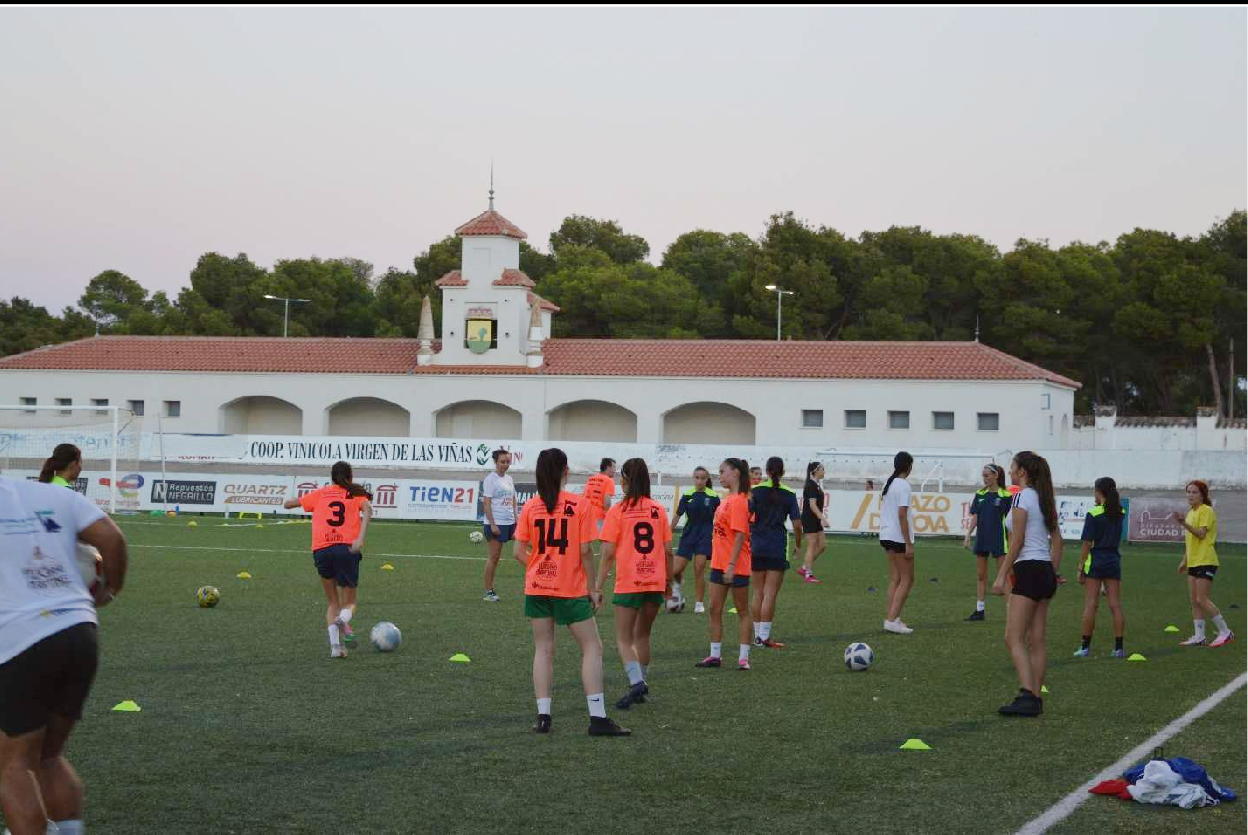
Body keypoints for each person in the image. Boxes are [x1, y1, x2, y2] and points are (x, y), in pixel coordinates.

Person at [0, 476, 128, 835]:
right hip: (79, 633)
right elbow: (111, 538)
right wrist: (111, 590)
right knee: (46, 756)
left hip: (20, 640)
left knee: (13, 764)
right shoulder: (49, 493)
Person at [515, 448, 629, 736]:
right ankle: (598, 718)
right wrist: (592, 588)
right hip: (570, 588)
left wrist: (540, 566)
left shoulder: (531, 507)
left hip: (538, 588)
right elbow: (585, 551)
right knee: (592, 648)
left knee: (543, 649)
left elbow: (518, 551)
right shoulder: (579, 506)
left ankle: (543, 717)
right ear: (565, 470)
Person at [594, 458, 673, 710]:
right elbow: (668, 550)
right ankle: (641, 684)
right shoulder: (658, 509)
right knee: (643, 635)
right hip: (655, 581)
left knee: (623, 639)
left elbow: (607, 553)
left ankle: (636, 682)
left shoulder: (618, 511)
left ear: (626, 480)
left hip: (629, 581)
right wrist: (669, 582)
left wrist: (597, 587)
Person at [993, 451, 1064, 717]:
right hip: (1043, 570)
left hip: (1029, 569)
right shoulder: (1045, 499)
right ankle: (1035, 696)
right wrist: (1052, 572)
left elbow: (1018, 539)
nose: (1009, 472)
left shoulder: (1022, 496)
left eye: (1012, 468)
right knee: (1037, 639)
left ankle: (1027, 695)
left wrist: (1001, 574)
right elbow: (1058, 542)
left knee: (1013, 638)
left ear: (1022, 471)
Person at [283, 461, 373, 657]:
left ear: (331, 478)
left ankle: (335, 648)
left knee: (332, 602)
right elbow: (368, 510)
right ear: (350, 476)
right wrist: (360, 538)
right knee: (350, 603)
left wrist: (291, 500)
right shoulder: (356, 493)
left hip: (322, 549)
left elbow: (288, 504)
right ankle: (343, 619)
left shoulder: (321, 493)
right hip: (347, 549)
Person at [697, 458, 754, 671]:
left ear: (736, 473)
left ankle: (743, 658)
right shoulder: (726, 499)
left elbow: (740, 536)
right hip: (719, 563)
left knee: (742, 610)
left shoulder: (739, 501)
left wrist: (731, 565)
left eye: (723, 472)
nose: (719, 476)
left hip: (735, 564)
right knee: (714, 609)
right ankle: (714, 656)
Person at [1171, 481, 1234, 648]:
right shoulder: (1192, 512)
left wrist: (1183, 523)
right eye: (1188, 492)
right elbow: (1190, 541)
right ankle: (1199, 636)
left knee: (1202, 599)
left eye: (1194, 492)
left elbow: (1200, 534)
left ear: (1202, 495)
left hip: (1206, 560)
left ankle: (1226, 632)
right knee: (1194, 600)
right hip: (1194, 562)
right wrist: (1185, 560)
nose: (1190, 495)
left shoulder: (1206, 510)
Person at [750, 457, 803, 649]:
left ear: (766, 471)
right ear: (783, 472)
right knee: (770, 594)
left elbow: (746, 517)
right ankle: (764, 637)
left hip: (756, 545)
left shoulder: (755, 491)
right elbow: (797, 524)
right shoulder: (788, 493)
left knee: (757, 592)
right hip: (776, 546)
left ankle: (757, 637)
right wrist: (798, 544)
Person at [1074, 477, 1127, 658]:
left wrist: (1080, 567)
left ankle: (1085, 647)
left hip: (1096, 559)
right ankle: (1119, 648)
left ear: (1099, 492)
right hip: (1113, 559)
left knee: (1091, 604)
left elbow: (1087, 543)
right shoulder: (1120, 512)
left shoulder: (1094, 513)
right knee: (1115, 605)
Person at [962, 464, 1011, 621]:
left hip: (999, 539)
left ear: (996, 476)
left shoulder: (1006, 496)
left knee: (1004, 576)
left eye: (987, 475)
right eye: (983, 476)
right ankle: (979, 610)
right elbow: (976, 515)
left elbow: (1011, 522)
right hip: (982, 538)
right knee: (981, 576)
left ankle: (1012, 611)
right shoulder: (980, 494)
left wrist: (1012, 541)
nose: (985, 478)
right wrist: (968, 534)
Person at [670, 467, 719, 614]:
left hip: (705, 536)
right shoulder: (687, 494)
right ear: (693, 478)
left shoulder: (714, 496)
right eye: (697, 478)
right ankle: (677, 586)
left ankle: (699, 604)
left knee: (699, 569)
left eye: (702, 478)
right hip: (688, 536)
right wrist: (669, 531)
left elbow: (721, 517)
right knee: (675, 570)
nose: (699, 481)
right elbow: (678, 515)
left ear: (707, 479)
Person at [879, 452, 916, 635]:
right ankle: (892, 620)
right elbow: (902, 515)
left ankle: (892, 617)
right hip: (898, 537)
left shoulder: (889, 483)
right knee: (908, 579)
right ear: (908, 466)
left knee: (896, 578)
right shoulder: (903, 486)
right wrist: (908, 543)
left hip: (886, 535)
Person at [481, 449, 517, 603]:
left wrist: (517, 518)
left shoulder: (509, 479)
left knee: (529, 545)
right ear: (496, 462)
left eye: (508, 462)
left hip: (510, 523)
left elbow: (513, 499)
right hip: (496, 524)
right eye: (502, 462)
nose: (505, 465)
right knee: (494, 558)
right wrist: (493, 524)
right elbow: (486, 503)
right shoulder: (491, 479)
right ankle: (489, 592)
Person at [797, 462, 828, 583]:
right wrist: (823, 518)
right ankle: (808, 574)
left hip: (815, 519)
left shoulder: (816, 485)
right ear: (815, 471)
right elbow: (812, 505)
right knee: (811, 546)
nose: (824, 471)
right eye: (822, 469)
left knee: (822, 546)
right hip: (810, 518)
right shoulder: (811, 485)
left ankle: (804, 567)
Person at [582, 458, 617, 535]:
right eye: (614, 467)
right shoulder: (609, 480)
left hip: (586, 516)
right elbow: (607, 502)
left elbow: (583, 497)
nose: (615, 470)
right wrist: (607, 515)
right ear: (608, 467)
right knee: (599, 543)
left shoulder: (590, 479)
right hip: (599, 517)